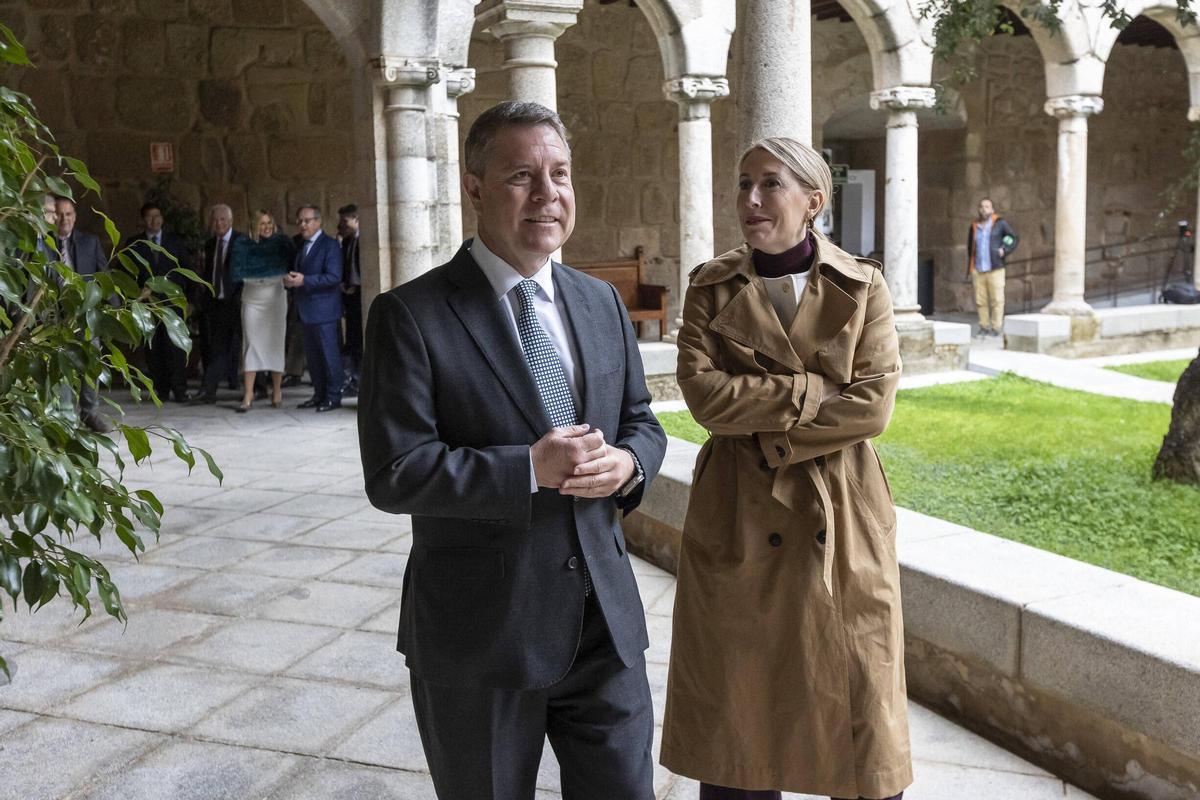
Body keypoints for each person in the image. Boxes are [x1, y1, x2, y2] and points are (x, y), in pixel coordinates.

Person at [357, 100, 667, 800]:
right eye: (522, 175)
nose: (548, 195)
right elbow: (394, 473)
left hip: (604, 627)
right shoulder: (410, 315)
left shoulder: (600, 303)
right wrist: (527, 468)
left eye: (559, 174)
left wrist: (629, 464)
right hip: (481, 636)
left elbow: (643, 422)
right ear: (474, 188)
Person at [661, 137, 912, 800]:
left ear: (813, 201)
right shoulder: (710, 286)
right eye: (743, 183)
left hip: (841, 511)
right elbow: (702, 396)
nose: (750, 200)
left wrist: (762, 418)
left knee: (857, 702)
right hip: (737, 513)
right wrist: (810, 393)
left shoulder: (863, 286)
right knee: (742, 718)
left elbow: (873, 405)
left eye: (770, 184)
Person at [55, 196, 111, 433]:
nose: (64, 219)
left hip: (85, 316)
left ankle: (89, 413)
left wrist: (114, 312)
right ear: (51, 216)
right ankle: (66, 417)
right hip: (55, 319)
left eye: (68, 214)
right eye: (59, 214)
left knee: (91, 363)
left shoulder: (90, 242)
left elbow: (104, 277)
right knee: (62, 366)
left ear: (74, 217)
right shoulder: (42, 244)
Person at [127, 202, 191, 403]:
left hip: (172, 303)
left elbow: (187, 270)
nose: (153, 220)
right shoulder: (134, 244)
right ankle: (160, 391)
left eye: (157, 216)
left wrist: (186, 300)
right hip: (146, 305)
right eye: (149, 217)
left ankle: (180, 390)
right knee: (153, 349)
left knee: (176, 348)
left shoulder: (175, 242)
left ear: (162, 218)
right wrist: (136, 294)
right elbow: (125, 273)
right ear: (143, 220)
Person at [283, 205, 343, 412]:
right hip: (305, 310)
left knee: (329, 356)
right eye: (300, 221)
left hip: (324, 311)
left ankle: (333, 397)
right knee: (313, 358)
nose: (302, 225)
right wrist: (291, 281)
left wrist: (304, 280)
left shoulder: (330, 246)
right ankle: (319, 395)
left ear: (318, 222)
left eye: (307, 221)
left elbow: (334, 277)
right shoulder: (301, 244)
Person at [232, 210, 293, 411]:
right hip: (252, 299)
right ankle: (248, 394)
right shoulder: (242, 244)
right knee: (251, 344)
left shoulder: (282, 243)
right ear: (254, 225)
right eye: (262, 223)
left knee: (275, 344)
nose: (266, 226)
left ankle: (277, 392)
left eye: (269, 222)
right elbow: (236, 271)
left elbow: (290, 265)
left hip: (275, 298)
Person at [192, 204, 245, 403]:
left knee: (248, 346)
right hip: (218, 304)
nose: (218, 223)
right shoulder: (210, 244)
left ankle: (259, 387)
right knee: (218, 348)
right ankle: (209, 390)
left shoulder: (242, 241)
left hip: (238, 302)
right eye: (215, 220)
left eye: (222, 220)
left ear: (230, 221)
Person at [966, 198, 1019, 338]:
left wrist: (1005, 250)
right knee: (980, 300)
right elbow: (970, 247)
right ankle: (983, 326)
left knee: (997, 300)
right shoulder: (974, 226)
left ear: (992, 209)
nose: (984, 209)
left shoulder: (1000, 224)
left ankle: (996, 327)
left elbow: (1013, 237)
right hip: (979, 269)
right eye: (982, 206)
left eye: (987, 207)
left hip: (995, 268)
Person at [337, 203, 362, 396]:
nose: (341, 224)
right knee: (352, 340)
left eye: (345, 221)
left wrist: (355, 285)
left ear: (356, 219)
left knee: (359, 341)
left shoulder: (364, 240)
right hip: (349, 299)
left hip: (360, 299)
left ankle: (358, 380)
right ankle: (353, 380)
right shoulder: (346, 241)